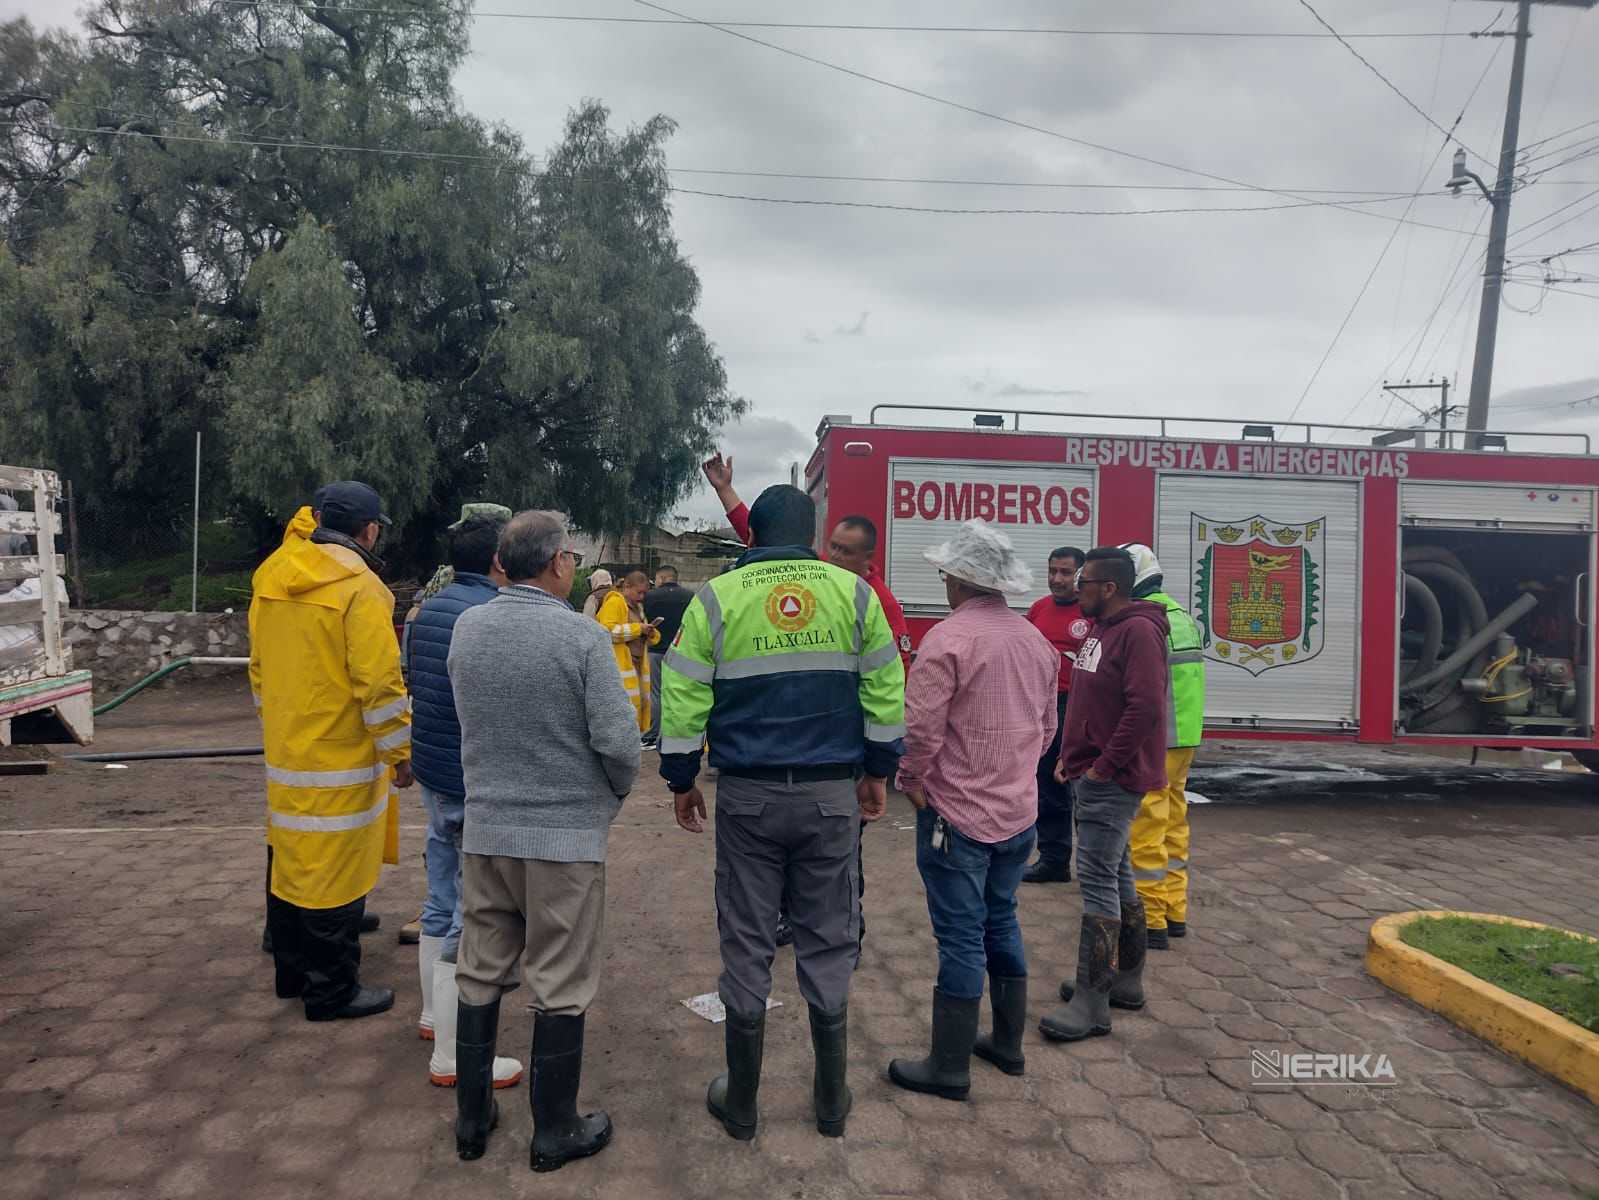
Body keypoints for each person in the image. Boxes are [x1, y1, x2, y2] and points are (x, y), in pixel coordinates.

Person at [660, 484, 905, 1142]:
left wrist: (681, 778)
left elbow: (681, 692)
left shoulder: (717, 597)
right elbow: (885, 688)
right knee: (827, 938)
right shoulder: (853, 595)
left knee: (746, 938)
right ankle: (830, 1102)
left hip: (747, 797)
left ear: (754, 534)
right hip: (831, 795)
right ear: (812, 532)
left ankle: (741, 1103)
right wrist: (878, 774)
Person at [447, 510, 639, 1170]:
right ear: (558, 562)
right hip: (562, 840)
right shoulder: (581, 638)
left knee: (478, 971)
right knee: (559, 981)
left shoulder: (468, 628)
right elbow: (617, 742)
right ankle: (554, 1131)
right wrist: (608, 799)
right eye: (573, 557)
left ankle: (472, 1120)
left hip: (485, 833)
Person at [704, 453, 913, 950]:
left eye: (843, 552)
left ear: (867, 559)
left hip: (837, 753)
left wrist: (878, 763)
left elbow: (889, 681)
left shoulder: (871, 598)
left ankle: (847, 929)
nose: (832, 557)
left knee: (842, 862)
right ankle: (797, 923)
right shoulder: (827, 582)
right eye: (830, 547)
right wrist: (727, 494)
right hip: (807, 754)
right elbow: (768, 539)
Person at [887, 522, 1057, 1099]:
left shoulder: (947, 639)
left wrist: (910, 782)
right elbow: (1046, 728)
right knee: (1001, 918)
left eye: (945, 574)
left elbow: (922, 730)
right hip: (1018, 814)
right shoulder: (1035, 640)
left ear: (959, 579)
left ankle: (949, 1067)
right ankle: (1006, 1046)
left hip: (957, 816)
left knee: (961, 937)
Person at [248, 480, 412, 1021]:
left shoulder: (272, 573)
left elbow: (259, 669)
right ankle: (331, 992)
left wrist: (280, 721)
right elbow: (380, 684)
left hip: (288, 749)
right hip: (340, 755)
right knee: (334, 872)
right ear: (369, 529)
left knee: (292, 861)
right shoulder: (361, 588)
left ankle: (291, 977)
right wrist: (399, 752)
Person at [404, 504, 524, 1090]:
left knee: (439, 892)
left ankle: (432, 1015)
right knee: (469, 912)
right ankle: (452, 1055)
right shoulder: (486, 616)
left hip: (432, 767)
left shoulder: (428, 611)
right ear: (501, 560)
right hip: (470, 777)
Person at [1039, 546, 1168, 1044]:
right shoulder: (1100, 627)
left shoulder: (1135, 631)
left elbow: (1145, 709)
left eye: (1084, 581)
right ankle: (1125, 981)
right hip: (1088, 771)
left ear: (1108, 587)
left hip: (1112, 780)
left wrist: (1101, 768)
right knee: (1117, 872)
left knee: (1096, 879)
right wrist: (1070, 759)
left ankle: (1092, 1004)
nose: (1075, 587)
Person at [1119, 544, 1206, 949]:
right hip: (1185, 738)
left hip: (1159, 739)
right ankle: (1175, 911)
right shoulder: (1181, 615)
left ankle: (1150, 920)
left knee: (1146, 828)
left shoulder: (1147, 621)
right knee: (1174, 826)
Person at [1022, 546, 1089, 884]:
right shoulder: (1038, 609)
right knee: (1046, 785)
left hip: (1078, 707)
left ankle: (1093, 865)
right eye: (1052, 571)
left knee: (1082, 788)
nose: (1056, 579)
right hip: (1041, 706)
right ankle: (1054, 859)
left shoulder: (1091, 613)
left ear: (1080, 574)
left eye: (1065, 572)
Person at [596, 570, 661, 738]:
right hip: (620, 667)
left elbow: (642, 635)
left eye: (644, 593)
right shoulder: (615, 603)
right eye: (639, 592)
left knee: (637, 707)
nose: (641, 597)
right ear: (627, 587)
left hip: (636, 665)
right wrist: (639, 628)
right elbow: (607, 631)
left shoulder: (636, 607)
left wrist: (650, 633)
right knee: (624, 710)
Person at [642, 564, 693, 749]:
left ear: (662, 578)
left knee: (655, 693)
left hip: (655, 650)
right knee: (679, 692)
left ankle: (652, 735)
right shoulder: (690, 596)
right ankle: (677, 734)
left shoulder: (650, 596)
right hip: (681, 651)